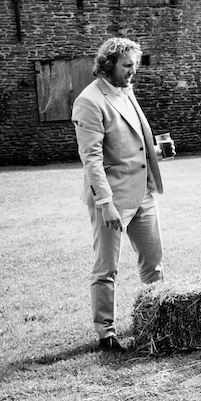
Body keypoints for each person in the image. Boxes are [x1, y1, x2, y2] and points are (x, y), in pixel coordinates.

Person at [71, 37, 169, 352]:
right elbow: (92, 160)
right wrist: (105, 203)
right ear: (109, 64)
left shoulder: (126, 91)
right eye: (127, 65)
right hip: (110, 200)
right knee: (106, 268)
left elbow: (131, 143)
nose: (132, 71)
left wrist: (156, 151)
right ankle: (106, 334)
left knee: (153, 262)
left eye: (134, 65)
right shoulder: (89, 101)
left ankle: (159, 320)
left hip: (143, 193)